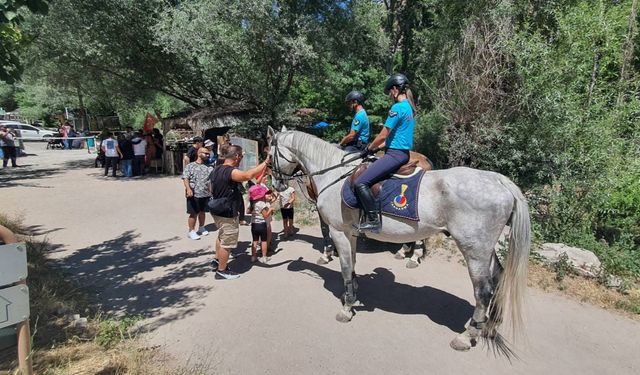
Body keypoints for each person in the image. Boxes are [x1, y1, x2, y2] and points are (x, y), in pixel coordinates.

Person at [354, 73, 417, 231]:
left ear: (395, 90)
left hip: (395, 155)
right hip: (401, 152)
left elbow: (384, 134)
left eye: (390, 92)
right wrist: (378, 147)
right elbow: (396, 137)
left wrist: (368, 148)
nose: (390, 95)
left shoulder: (397, 108)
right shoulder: (409, 107)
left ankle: (374, 220)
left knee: (360, 182)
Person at [209, 144, 270, 280]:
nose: (241, 158)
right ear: (236, 156)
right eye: (241, 156)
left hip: (217, 208)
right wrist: (265, 162)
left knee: (221, 236)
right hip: (227, 211)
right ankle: (222, 270)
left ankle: (217, 260)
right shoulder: (230, 171)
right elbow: (247, 175)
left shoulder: (217, 169)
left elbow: (210, 188)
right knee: (228, 241)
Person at [182, 147, 213, 240]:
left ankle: (201, 227)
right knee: (193, 213)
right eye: (205, 153)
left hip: (205, 193)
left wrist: (212, 192)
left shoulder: (210, 167)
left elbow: (210, 181)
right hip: (193, 193)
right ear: (199, 154)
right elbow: (185, 177)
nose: (207, 155)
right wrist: (188, 189)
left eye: (208, 154)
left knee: (203, 212)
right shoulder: (190, 166)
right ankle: (191, 231)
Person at [248, 184, 274, 263]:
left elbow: (247, 211)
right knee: (264, 241)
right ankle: (264, 257)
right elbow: (265, 215)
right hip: (262, 224)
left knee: (255, 241)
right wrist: (270, 209)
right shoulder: (261, 204)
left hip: (254, 224)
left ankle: (253, 257)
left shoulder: (252, 203)